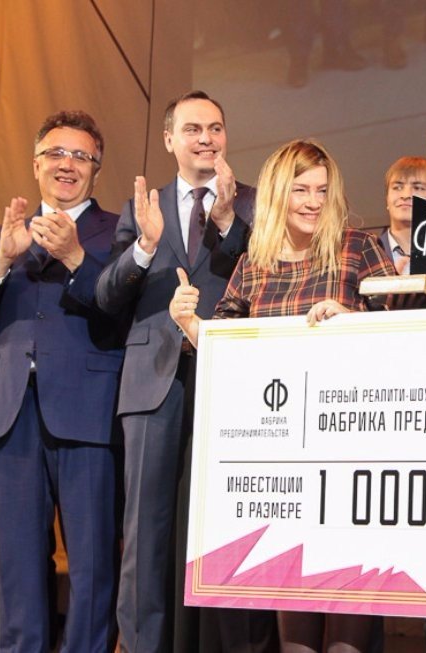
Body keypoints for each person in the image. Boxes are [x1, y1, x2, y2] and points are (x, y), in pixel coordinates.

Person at [170, 138, 396, 653]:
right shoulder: (256, 262)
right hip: (283, 461)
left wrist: (351, 319)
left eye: (322, 190)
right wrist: (188, 322)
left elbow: (400, 326)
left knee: (347, 612)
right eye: (301, 190)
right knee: (294, 612)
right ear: (277, 194)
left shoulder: (358, 246)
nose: (314, 202)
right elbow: (223, 345)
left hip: (349, 455)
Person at [95, 90, 271, 653]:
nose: (206, 138)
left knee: (224, 525)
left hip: (230, 378)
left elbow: (267, 276)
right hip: (153, 381)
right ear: (169, 138)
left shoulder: (253, 203)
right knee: (145, 531)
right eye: (193, 128)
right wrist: (145, 247)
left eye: (215, 128)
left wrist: (228, 223)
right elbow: (106, 296)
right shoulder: (139, 210)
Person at [0, 110, 124, 652]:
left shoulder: (120, 230)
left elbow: (122, 311)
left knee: (93, 566)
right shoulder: (1, 236)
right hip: (8, 417)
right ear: (35, 163)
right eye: (55, 153)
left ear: (96, 169)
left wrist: (75, 258)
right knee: (15, 570)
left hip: (88, 414)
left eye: (81, 156)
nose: (67, 164)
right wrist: (1, 260)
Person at [378, 156, 426, 275]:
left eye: (418, 188)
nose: (406, 195)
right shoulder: (369, 253)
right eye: (397, 187)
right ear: (387, 199)